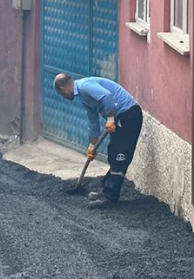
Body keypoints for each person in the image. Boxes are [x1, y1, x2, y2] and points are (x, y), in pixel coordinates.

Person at [54, 73, 143, 209]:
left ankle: (110, 196)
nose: (64, 97)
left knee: (120, 156)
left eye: (62, 95)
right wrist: (92, 146)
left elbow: (107, 96)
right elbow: (93, 123)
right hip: (120, 117)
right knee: (113, 152)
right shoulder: (83, 97)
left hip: (128, 115)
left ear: (62, 89)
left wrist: (111, 119)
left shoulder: (84, 86)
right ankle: (105, 190)